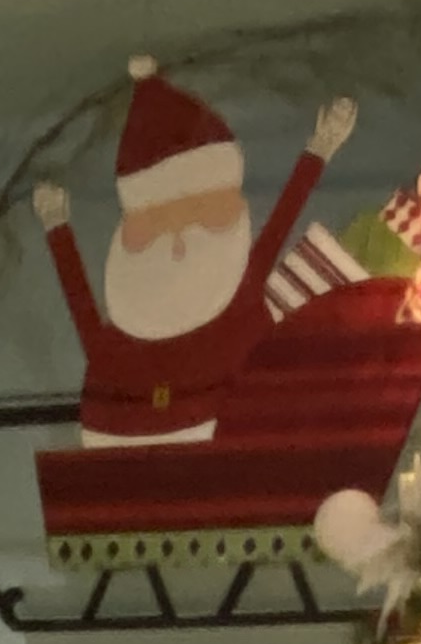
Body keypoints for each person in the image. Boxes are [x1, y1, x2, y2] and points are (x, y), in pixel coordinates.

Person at [34, 63, 357, 446]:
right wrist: (56, 226)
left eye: (201, 215)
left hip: (225, 443)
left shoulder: (237, 294)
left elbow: (279, 225)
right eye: (156, 225)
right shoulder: (121, 343)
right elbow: (82, 308)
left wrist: (320, 148)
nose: (178, 244)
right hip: (125, 445)